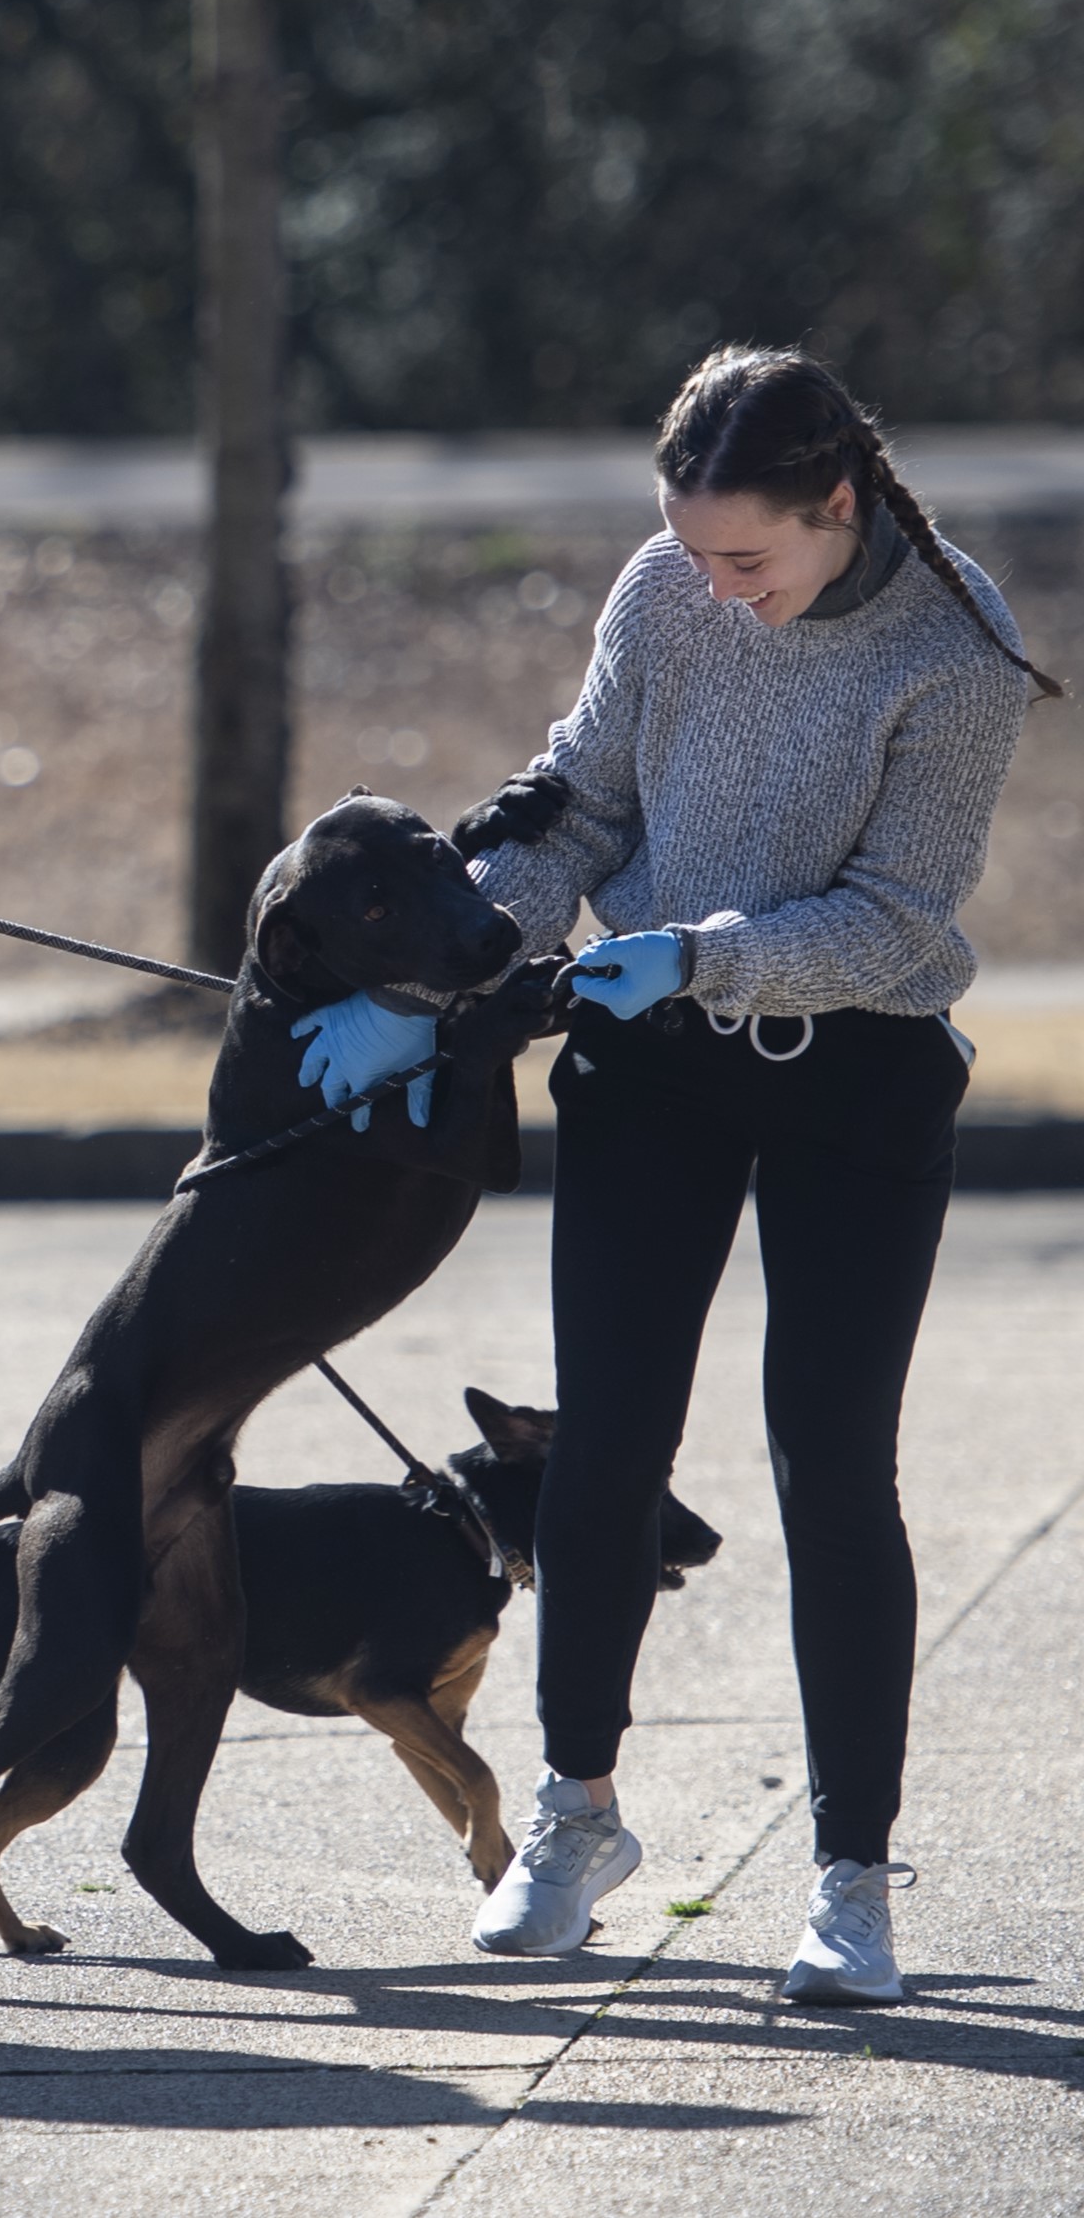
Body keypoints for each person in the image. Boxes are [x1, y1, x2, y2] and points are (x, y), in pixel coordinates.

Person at [295, 345, 1052, 2005]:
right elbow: (578, 805)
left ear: (837, 504)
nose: (719, 590)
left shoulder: (960, 642)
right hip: (649, 1081)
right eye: (696, 555)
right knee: (605, 1447)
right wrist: (439, 969)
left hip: (856, 1078)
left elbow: (896, 921)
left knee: (831, 1464)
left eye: (750, 561)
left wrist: (700, 955)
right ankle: (575, 1816)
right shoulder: (664, 586)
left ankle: (851, 1879)